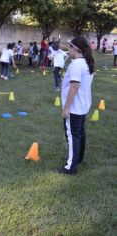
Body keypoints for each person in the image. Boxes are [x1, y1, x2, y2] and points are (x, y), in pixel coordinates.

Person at [57, 36, 95, 175]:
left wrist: (66, 108)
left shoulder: (76, 64)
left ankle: (71, 167)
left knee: (73, 135)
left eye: (69, 46)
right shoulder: (86, 62)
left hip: (75, 107)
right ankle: (77, 159)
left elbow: (74, 87)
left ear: (75, 49)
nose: (68, 49)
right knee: (80, 132)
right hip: (83, 105)